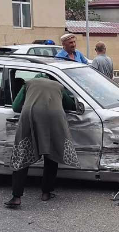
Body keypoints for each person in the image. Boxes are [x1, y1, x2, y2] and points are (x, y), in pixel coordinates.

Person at [5, 77, 80, 208]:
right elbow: (71, 105)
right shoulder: (59, 86)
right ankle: (46, 192)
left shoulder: (28, 83)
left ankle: (16, 197)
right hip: (54, 117)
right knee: (52, 154)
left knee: (22, 152)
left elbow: (16, 106)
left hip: (30, 115)